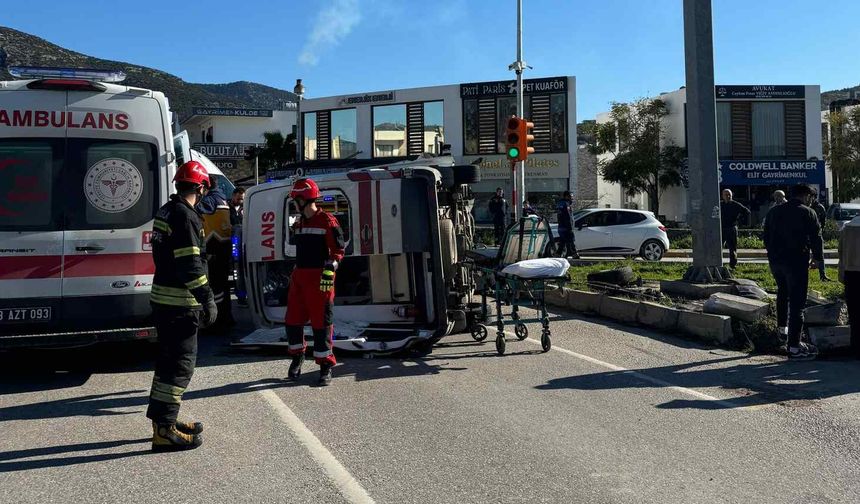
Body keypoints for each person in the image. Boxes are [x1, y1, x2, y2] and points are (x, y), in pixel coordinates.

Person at [147, 160, 217, 452]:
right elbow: (190, 264)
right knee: (179, 366)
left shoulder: (167, 211)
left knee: (167, 365)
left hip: (164, 301)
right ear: (200, 188)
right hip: (180, 305)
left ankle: (165, 421)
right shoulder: (186, 216)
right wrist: (207, 298)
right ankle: (164, 431)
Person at [285, 178, 346, 386]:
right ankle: (297, 358)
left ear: (303, 199)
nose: (294, 204)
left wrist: (330, 272)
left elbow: (338, 251)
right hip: (300, 278)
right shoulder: (300, 222)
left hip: (320, 278)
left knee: (322, 323)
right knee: (293, 320)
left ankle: (325, 366)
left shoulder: (327, 221)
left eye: (295, 199)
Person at [763, 184, 824, 360]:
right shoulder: (807, 212)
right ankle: (794, 347)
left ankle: (782, 332)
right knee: (798, 303)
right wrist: (817, 259)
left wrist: (772, 254)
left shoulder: (774, 212)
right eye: (811, 197)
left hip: (776, 262)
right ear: (805, 196)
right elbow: (816, 237)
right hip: (796, 261)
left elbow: (766, 236)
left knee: (782, 294)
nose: (811, 200)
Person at [197, 181, 234, 329]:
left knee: (215, 287)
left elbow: (194, 206)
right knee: (223, 286)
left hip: (214, 249)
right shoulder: (222, 197)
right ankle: (227, 317)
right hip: (223, 247)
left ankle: (217, 322)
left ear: (206, 187)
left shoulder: (210, 199)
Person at [839, 214, 860, 358]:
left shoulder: (847, 228)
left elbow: (841, 252)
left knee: (854, 313)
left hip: (851, 273)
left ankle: (856, 347)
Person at [720, 189, 750, 269]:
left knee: (732, 248)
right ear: (722, 196)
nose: (727, 196)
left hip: (731, 228)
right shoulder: (720, 204)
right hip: (721, 228)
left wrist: (739, 220)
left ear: (731, 195)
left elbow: (747, 212)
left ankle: (733, 265)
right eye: (725, 195)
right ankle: (718, 264)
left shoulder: (736, 204)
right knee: (718, 247)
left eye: (729, 194)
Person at [228, 188, 247, 306]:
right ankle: (240, 296)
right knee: (237, 271)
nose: (241, 201)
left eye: (242, 199)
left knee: (241, 271)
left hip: (243, 244)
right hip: (232, 244)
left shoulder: (245, 208)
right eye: (239, 198)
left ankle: (242, 295)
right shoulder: (225, 208)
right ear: (233, 196)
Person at [811, 196, 831, 281]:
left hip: (817, 234)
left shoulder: (819, 207)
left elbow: (823, 220)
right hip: (805, 234)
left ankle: (822, 275)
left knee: (820, 254)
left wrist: (820, 230)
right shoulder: (805, 206)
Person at [556, 191, 579, 259]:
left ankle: (558, 254)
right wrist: (570, 228)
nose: (572, 198)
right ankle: (575, 254)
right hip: (566, 227)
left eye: (572, 196)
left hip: (561, 227)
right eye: (570, 196)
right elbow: (568, 217)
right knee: (571, 240)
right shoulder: (566, 205)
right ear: (566, 196)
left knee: (563, 241)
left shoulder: (560, 204)